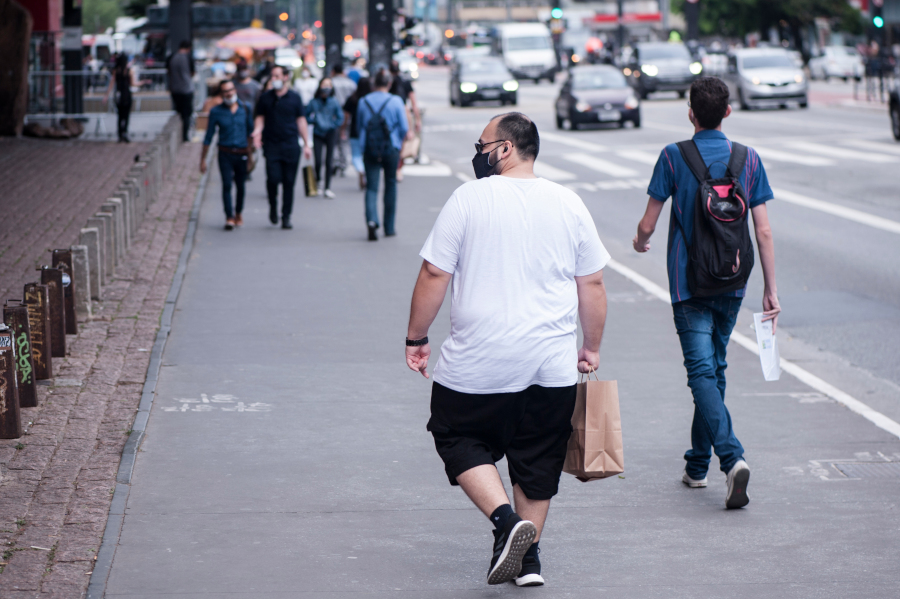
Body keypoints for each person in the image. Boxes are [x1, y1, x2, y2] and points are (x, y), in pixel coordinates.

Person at [405, 112, 610, 587]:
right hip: (551, 364)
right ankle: (529, 562)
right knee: (537, 459)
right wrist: (591, 347)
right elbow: (593, 282)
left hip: (479, 361)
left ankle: (504, 522)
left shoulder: (468, 199)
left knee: (455, 434)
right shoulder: (568, 202)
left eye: (482, 144)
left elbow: (435, 274)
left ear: (505, 148)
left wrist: (416, 337)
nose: (477, 153)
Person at [632, 76, 780, 509]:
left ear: (691, 112)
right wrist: (771, 289)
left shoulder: (673, 156)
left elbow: (647, 223)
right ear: (728, 112)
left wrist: (640, 243)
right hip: (734, 282)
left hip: (688, 283)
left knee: (701, 373)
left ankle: (731, 458)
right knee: (712, 371)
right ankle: (697, 465)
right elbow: (764, 230)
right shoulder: (747, 159)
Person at [252, 66, 313, 230]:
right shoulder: (265, 98)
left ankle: (286, 216)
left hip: (291, 145)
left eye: (277, 76)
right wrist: (257, 132)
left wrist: (307, 144)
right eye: (272, 76)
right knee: (273, 178)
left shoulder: (295, 98)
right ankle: (273, 206)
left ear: (286, 77)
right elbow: (260, 118)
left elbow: (301, 121)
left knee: (289, 182)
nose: (274, 79)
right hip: (272, 144)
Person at [356, 69, 408, 241]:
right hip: (391, 148)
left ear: (373, 83)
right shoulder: (396, 101)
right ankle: (389, 227)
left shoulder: (363, 102)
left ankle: (371, 220)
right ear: (389, 83)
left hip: (369, 148)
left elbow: (359, 127)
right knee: (391, 184)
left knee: (371, 187)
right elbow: (404, 128)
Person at [200, 80, 254, 230]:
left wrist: (251, 155)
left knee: (241, 186)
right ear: (221, 93)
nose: (229, 93)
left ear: (235, 90)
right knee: (227, 185)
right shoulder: (216, 111)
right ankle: (229, 216)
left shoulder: (246, 108)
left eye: (231, 90)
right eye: (225, 91)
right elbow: (208, 136)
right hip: (225, 152)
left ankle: (238, 213)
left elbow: (250, 133)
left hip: (242, 152)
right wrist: (203, 159)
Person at [305, 77, 344, 198]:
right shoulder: (314, 102)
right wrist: (314, 121)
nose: (326, 87)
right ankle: (318, 182)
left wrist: (333, 125)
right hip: (318, 133)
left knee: (329, 160)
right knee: (318, 160)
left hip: (330, 133)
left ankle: (327, 187)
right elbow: (305, 116)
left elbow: (340, 117)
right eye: (324, 84)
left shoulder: (334, 101)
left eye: (329, 85)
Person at [389, 60, 422, 182]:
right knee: (403, 141)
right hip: (404, 114)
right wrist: (417, 120)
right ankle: (398, 168)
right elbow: (414, 103)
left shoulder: (388, 81)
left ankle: (395, 167)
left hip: (390, 115)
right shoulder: (405, 81)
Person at [104, 54, 148, 143]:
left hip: (119, 95)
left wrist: (106, 95)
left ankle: (120, 134)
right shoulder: (128, 71)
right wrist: (143, 82)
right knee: (126, 116)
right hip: (127, 95)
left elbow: (111, 84)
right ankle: (125, 133)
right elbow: (133, 83)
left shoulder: (116, 71)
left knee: (120, 116)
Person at [342, 77, 371, 190]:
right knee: (367, 155)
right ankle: (364, 172)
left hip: (355, 130)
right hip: (369, 132)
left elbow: (346, 116)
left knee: (356, 155)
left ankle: (361, 170)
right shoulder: (370, 99)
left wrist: (343, 129)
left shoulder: (352, 99)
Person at [330, 63, 357, 176]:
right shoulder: (350, 83)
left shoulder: (331, 83)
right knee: (344, 138)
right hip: (348, 113)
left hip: (334, 114)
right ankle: (343, 162)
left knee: (334, 139)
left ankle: (335, 161)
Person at [167, 40, 195, 142]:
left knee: (178, 113)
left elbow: (168, 72)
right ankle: (185, 136)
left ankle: (178, 135)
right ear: (189, 48)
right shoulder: (188, 57)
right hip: (186, 89)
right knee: (186, 114)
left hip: (175, 89)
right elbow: (192, 72)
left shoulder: (171, 57)